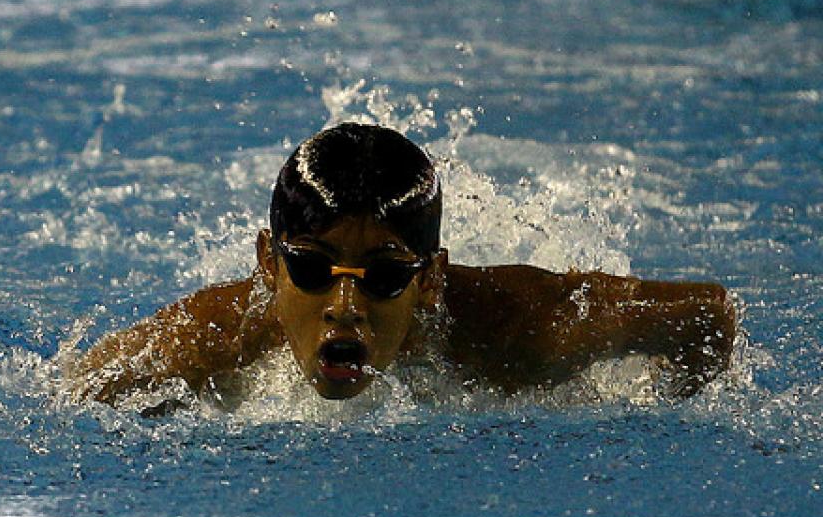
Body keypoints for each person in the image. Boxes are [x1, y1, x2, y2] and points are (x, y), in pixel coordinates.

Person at [68, 122, 736, 409]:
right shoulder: (216, 335)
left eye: (385, 274)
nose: (345, 304)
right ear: (269, 264)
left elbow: (706, 316)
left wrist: (645, 415)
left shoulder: (514, 334)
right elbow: (74, 393)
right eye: (311, 267)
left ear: (430, 279)